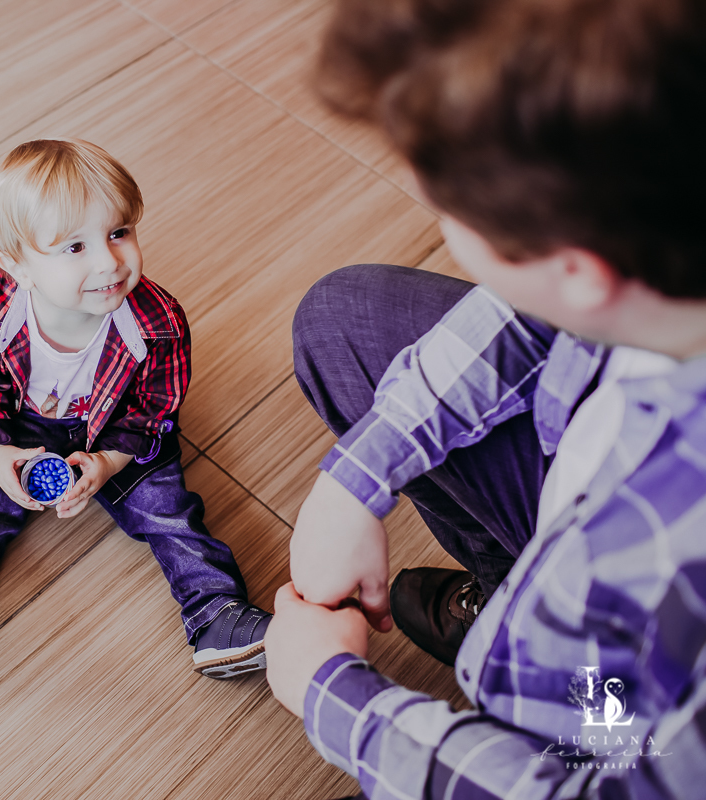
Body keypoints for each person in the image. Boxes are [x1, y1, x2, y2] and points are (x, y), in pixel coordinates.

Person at [263, 0, 706, 797]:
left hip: (626, 710)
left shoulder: (656, 570)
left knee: (591, 733)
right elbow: (528, 312)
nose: (439, 227)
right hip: (603, 497)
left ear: (579, 268)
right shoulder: (659, 225)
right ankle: (514, 601)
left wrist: (334, 693)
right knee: (343, 320)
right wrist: (355, 478)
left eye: (446, 212)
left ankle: (542, 689)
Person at [0, 139, 270, 684]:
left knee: (168, 510)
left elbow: (153, 409)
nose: (109, 261)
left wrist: (110, 462)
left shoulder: (158, 322)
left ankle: (217, 617)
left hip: (118, 432)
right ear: (16, 265)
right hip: (16, 429)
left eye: (119, 233)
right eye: (74, 247)